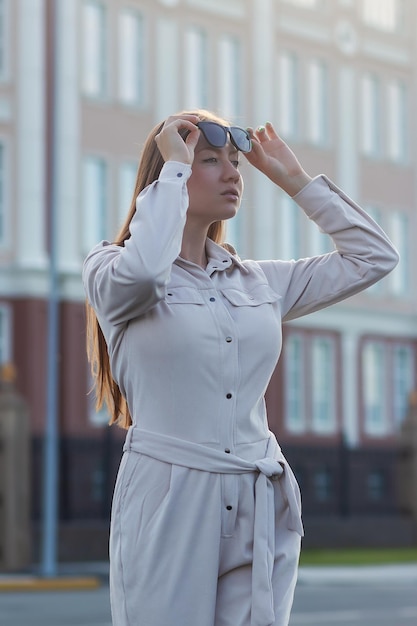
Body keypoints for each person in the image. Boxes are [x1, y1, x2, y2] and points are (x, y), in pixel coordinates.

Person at [83, 109, 399, 626]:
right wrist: (174, 171)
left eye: (235, 162)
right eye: (211, 161)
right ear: (170, 173)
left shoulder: (257, 282)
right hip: (169, 499)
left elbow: (374, 257)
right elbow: (143, 274)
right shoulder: (109, 270)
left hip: (257, 494)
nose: (233, 173)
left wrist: (295, 181)